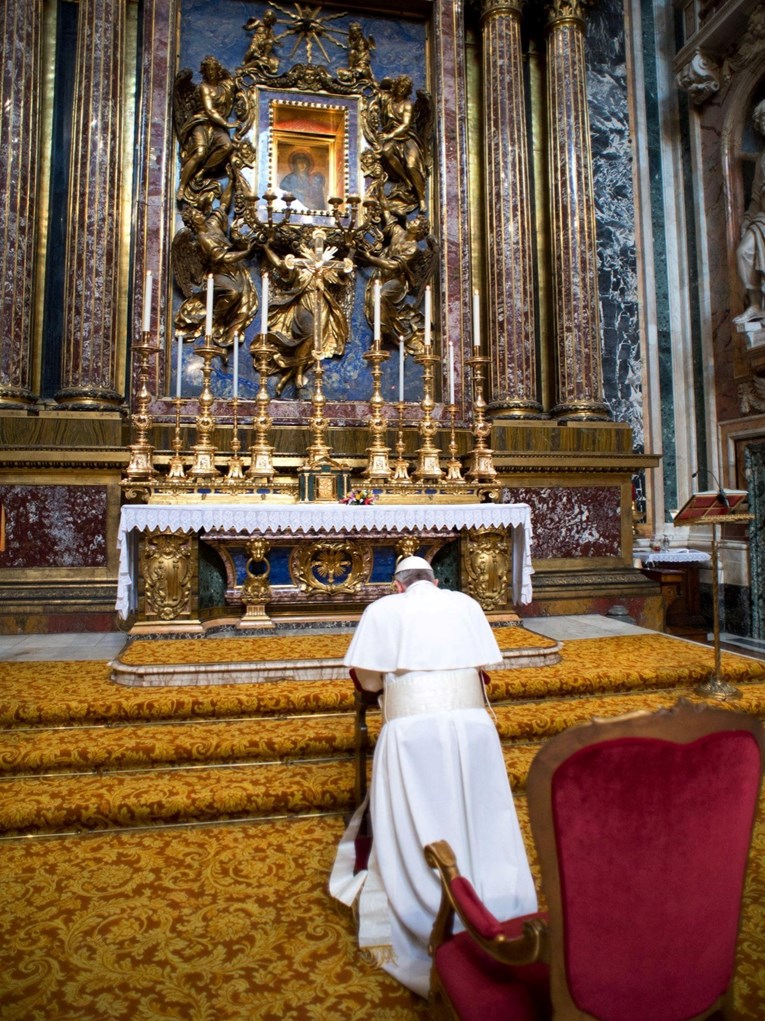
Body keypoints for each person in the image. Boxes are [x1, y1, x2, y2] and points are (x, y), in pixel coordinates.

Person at [329, 556, 538, 998]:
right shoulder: (465, 604)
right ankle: (496, 896)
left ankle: (425, 902)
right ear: (435, 581)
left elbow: (366, 681)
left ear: (397, 586)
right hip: (473, 729)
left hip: (412, 733)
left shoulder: (382, 611)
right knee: (479, 813)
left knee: (420, 814)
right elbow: (484, 666)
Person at [734, 100, 765, 325]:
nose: (764, 125)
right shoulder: (762, 159)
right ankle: (755, 304)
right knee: (744, 250)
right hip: (763, 216)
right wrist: (747, 219)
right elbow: (755, 196)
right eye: (761, 122)